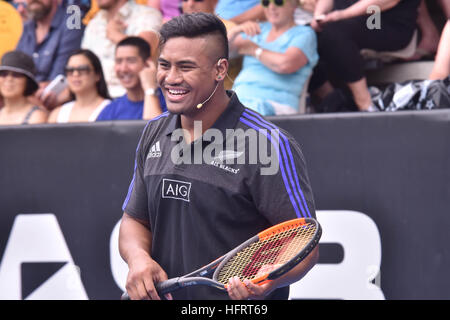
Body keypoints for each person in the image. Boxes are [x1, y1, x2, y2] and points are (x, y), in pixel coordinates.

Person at [119, 13, 318, 300]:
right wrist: (138, 258)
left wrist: (270, 280)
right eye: (165, 65)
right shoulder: (154, 131)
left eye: (186, 67)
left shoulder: (269, 144)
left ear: (220, 69)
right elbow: (134, 220)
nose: (171, 78)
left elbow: (304, 246)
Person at [309, 0, 421, 112]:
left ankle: (365, 104)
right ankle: (332, 99)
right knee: (305, 37)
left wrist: (342, 15)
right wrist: (319, 15)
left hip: (384, 22)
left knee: (336, 33)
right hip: (343, 20)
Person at [229, 0, 318, 115]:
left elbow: (285, 64)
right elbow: (218, 55)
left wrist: (255, 50)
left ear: (294, 6)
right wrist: (234, 31)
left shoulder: (305, 34)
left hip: (275, 105)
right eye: (266, 2)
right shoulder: (257, 29)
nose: (271, 7)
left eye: (278, 2)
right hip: (239, 101)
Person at [81, 0, 163, 98]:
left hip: (136, 98)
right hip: (98, 101)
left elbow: (145, 49)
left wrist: (115, 35)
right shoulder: (94, 22)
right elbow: (83, 64)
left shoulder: (148, 15)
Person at [16, 0, 84, 110]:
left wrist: (22, 90)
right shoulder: (27, 26)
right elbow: (17, 68)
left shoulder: (73, 19)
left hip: (58, 105)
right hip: (27, 101)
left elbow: (60, 78)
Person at [96, 36, 166, 121]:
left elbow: (154, 132)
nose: (123, 69)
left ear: (147, 64)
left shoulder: (169, 102)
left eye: (131, 61)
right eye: (118, 61)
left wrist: (150, 90)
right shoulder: (111, 110)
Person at [48, 49, 112, 123]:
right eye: (70, 70)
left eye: (82, 69)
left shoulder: (111, 109)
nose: (75, 74)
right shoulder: (57, 114)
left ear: (97, 75)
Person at [0, 51, 48, 125]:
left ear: (27, 82)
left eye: (16, 75)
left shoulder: (36, 117)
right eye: (3, 74)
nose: (9, 79)